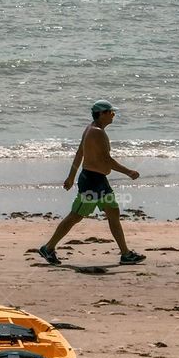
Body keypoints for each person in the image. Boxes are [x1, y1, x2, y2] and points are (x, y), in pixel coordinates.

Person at [37, 101, 146, 266]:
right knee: (76, 216)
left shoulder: (91, 128)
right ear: (102, 114)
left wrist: (71, 177)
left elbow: (79, 153)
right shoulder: (96, 132)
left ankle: (125, 254)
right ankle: (48, 247)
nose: (113, 115)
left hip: (100, 180)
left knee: (113, 213)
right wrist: (128, 172)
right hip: (91, 182)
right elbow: (106, 160)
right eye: (111, 112)